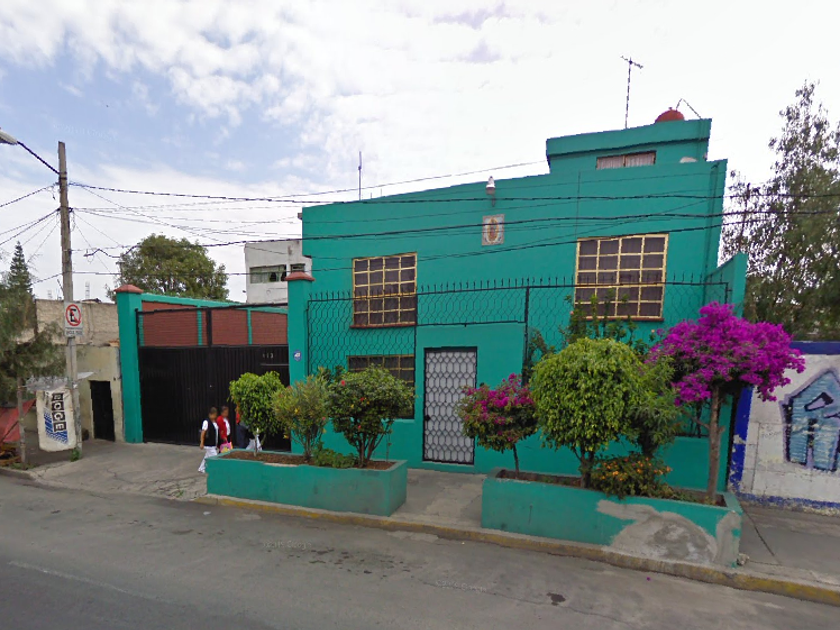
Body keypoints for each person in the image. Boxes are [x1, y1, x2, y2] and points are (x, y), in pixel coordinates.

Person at [198, 407, 221, 473]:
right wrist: (201, 442)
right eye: (214, 415)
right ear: (210, 414)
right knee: (215, 456)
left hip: (213, 443)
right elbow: (203, 432)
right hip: (209, 444)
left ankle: (201, 468)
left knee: (207, 456)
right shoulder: (206, 422)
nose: (215, 416)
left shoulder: (214, 422)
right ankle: (216, 469)